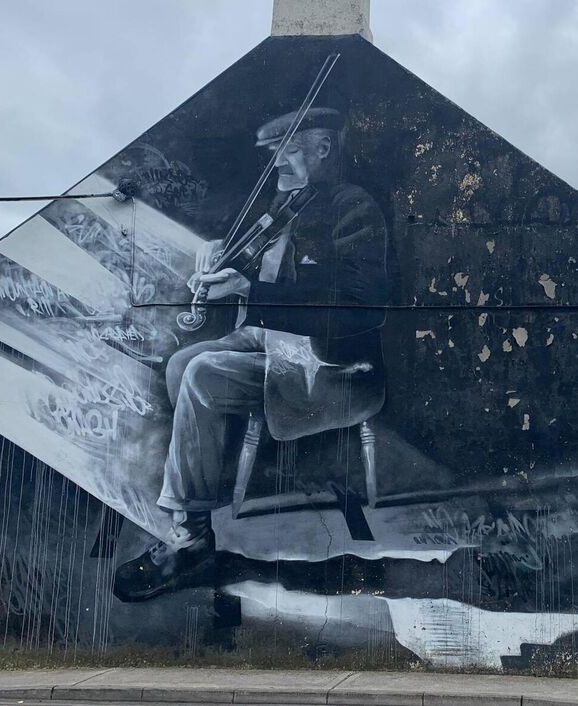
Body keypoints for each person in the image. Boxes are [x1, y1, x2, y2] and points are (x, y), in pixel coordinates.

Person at [113, 107, 389, 602]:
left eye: (288, 152)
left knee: (202, 373)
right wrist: (218, 248)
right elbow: (258, 253)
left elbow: (360, 306)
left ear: (323, 149)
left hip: (330, 362)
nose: (276, 164)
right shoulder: (290, 201)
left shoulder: (353, 208)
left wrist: (250, 289)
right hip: (271, 338)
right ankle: (199, 505)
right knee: (180, 364)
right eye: (273, 154)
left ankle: (190, 539)